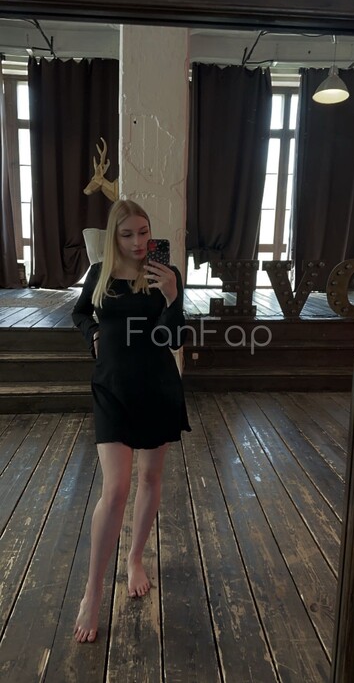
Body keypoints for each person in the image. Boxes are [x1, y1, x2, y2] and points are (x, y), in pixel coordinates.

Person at [71, 199, 191, 643]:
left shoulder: (166, 274)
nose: (139, 242)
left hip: (157, 386)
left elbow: (174, 338)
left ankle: (135, 557)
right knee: (116, 488)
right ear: (114, 236)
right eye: (128, 234)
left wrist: (173, 296)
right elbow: (80, 312)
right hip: (111, 387)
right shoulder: (100, 272)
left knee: (150, 478)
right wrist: (93, 334)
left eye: (144, 232)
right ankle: (93, 591)